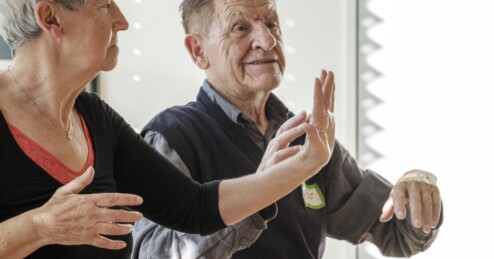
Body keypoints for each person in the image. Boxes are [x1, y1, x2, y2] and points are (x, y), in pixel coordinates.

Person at [0, 0, 335, 258]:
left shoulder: (95, 118)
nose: (122, 20)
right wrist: (41, 226)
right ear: (51, 18)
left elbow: (196, 208)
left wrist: (304, 165)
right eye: (104, 5)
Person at [132, 0, 443, 258]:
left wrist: (418, 191)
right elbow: (155, 254)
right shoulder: (170, 137)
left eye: (272, 24)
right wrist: (259, 192)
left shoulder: (307, 136)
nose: (267, 41)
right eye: (241, 28)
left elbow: (397, 233)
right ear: (198, 51)